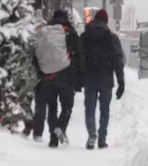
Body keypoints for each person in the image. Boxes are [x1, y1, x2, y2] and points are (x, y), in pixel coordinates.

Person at [33, 9, 84, 148]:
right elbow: (79, 56)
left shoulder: (46, 32)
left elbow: (36, 53)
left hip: (48, 76)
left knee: (52, 108)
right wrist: (80, 80)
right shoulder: (71, 33)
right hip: (67, 76)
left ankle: (53, 139)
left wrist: (40, 72)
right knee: (67, 107)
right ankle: (60, 128)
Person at [81, 9, 125, 149]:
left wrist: (79, 77)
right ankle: (102, 138)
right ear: (106, 21)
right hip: (106, 79)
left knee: (89, 109)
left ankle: (92, 133)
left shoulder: (85, 36)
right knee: (104, 110)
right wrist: (121, 81)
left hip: (90, 78)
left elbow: (79, 57)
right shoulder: (111, 38)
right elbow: (117, 60)